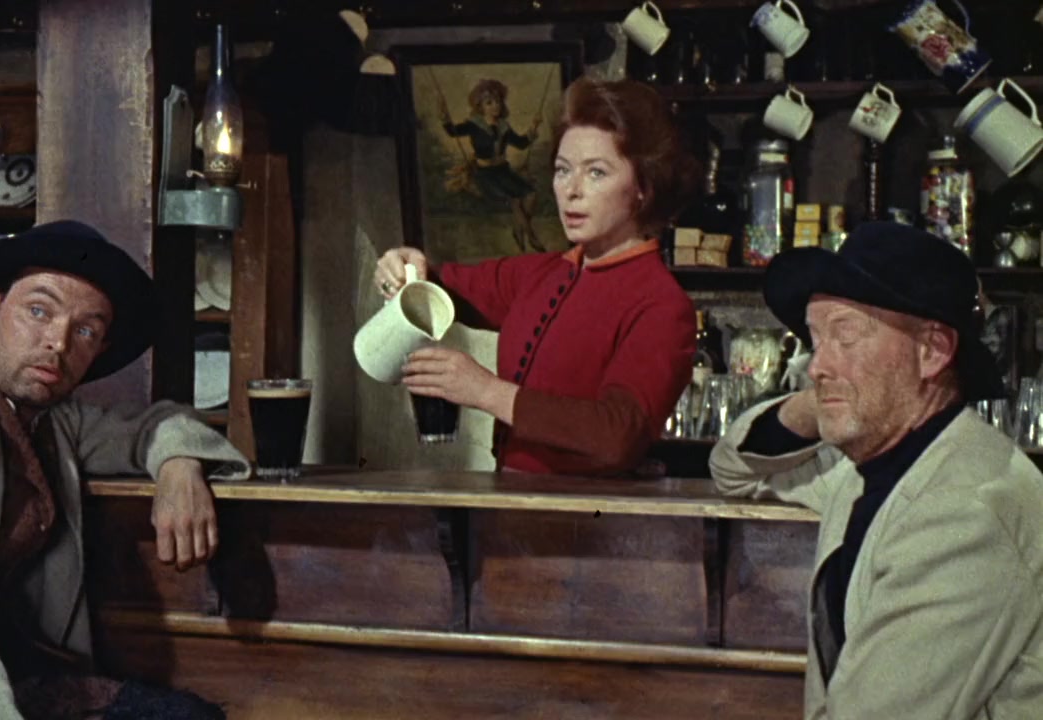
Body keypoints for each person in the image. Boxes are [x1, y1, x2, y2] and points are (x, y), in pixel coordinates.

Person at [0, 221, 250, 719]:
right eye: (38, 311)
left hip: (22, 676)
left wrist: (179, 465)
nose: (59, 342)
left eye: (86, 330)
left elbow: (154, 425)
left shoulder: (48, 416)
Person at [709, 222, 1043, 718]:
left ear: (932, 350)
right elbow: (733, 468)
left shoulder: (966, 510)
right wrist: (829, 400)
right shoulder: (879, 463)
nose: (815, 366)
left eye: (845, 335)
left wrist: (844, 395)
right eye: (816, 339)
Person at [376, 77, 701, 475]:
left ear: (643, 188)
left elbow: (617, 436)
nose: (571, 190)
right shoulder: (540, 274)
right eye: (563, 170)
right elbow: (437, 286)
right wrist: (403, 265)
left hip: (589, 511)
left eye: (596, 173)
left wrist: (484, 390)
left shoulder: (662, 304)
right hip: (510, 503)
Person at [438, 78, 545, 252]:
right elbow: (452, 132)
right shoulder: (474, 125)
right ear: (480, 107)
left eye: (498, 102)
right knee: (515, 199)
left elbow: (521, 143)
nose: (495, 106)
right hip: (485, 173)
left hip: (503, 171)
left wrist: (534, 126)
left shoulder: (504, 126)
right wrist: (444, 116)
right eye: (489, 103)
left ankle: (518, 229)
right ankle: (531, 236)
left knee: (531, 195)